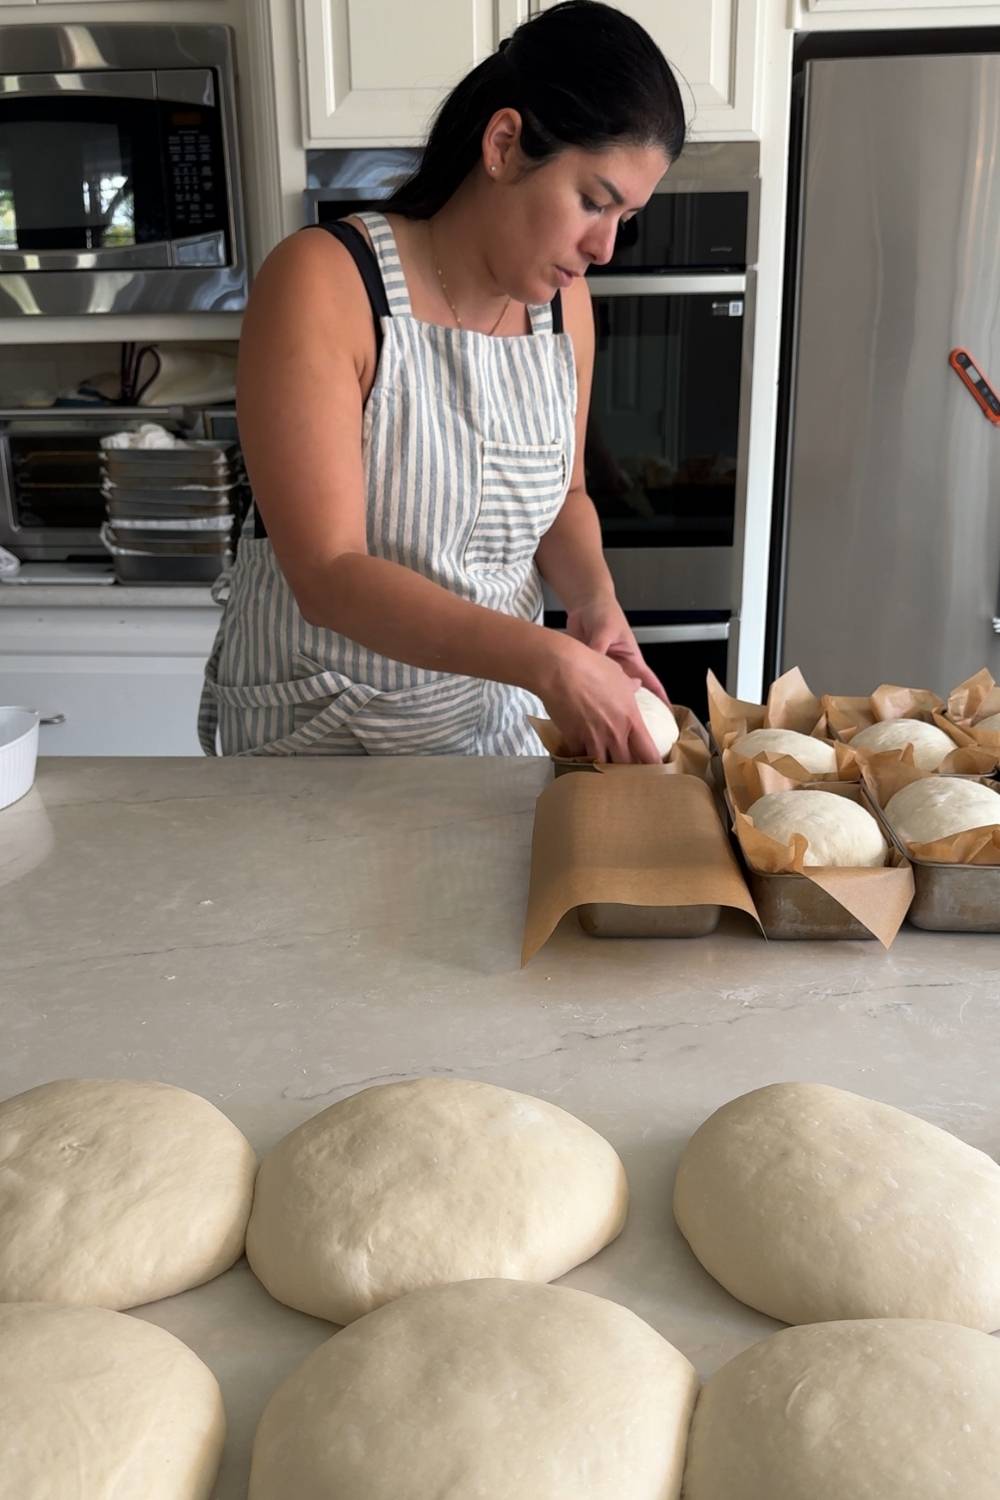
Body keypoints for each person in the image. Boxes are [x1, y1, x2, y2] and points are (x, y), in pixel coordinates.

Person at [198, 0, 686, 761]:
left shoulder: (564, 310)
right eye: (593, 201)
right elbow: (327, 573)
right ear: (503, 144)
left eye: (625, 217)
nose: (605, 246)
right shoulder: (326, 283)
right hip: (322, 733)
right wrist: (547, 659)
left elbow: (565, 495)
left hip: (492, 730)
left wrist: (595, 607)